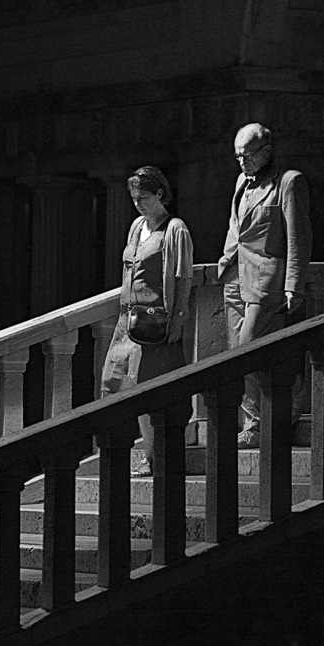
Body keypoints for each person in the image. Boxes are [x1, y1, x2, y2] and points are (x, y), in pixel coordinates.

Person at [216, 123, 312, 447]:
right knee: (237, 356)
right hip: (235, 275)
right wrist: (225, 261)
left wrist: (294, 285)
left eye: (247, 155)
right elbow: (236, 226)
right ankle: (255, 422)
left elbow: (299, 236)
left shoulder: (288, 182)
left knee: (247, 349)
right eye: (237, 156)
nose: (241, 162)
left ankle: (289, 402)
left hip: (266, 277)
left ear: (266, 151)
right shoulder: (242, 181)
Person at [101, 166, 194, 473]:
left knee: (148, 389)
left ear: (159, 194)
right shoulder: (136, 226)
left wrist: (178, 317)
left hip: (155, 323)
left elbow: (183, 278)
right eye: (133, 197)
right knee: (113, 383)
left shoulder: (175, 228)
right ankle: (120, 453)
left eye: (143, 197)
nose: (138, 203)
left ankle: (152, 456)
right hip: (127, 321)